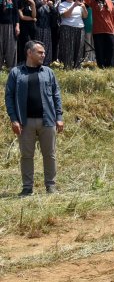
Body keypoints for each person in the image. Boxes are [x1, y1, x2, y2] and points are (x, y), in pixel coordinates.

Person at [5, 41, 63, 196]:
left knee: (49, 155)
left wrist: (59, 116)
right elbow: (9, 97)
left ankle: (51, 186)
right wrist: (14, 119)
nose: (43, 55)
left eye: (43, 52)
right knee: (26, 156)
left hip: (48, 120)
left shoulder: (48, 72)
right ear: (29, 53)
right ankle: (27, 188)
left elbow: (56, 95)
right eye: (40, 52)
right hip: (25, 122)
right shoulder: (16, 73)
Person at [57, 0, 88, 69]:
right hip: (68, 27)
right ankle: (68, 66)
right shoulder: (62, 4)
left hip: (80, 27)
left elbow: (85, 16)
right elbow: (66, 15)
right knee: (68, 48)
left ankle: (77, 66)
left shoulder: (79, 5)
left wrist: (84, 7)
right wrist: (73, 6)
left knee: (79, 47)